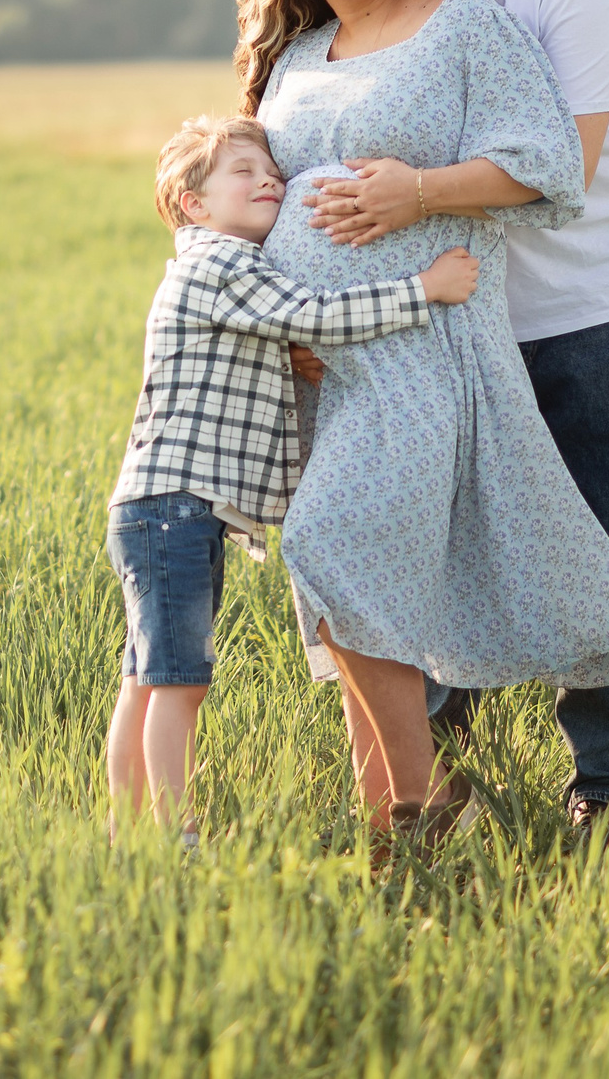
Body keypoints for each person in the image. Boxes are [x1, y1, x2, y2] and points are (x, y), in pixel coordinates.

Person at [238, 0, 609, 860]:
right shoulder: (295, 58)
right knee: (357, 569)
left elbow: (551, 165)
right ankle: (397, 813)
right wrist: (278, 317)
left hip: (430, 346)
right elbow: (261, 194)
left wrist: (418, 192)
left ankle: (537, 787)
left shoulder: (468, 25)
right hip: (330, 363)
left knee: (333, 542)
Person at [105, 113, 480, 842]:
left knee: (146, 679)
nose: (269, 181)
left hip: (155, 507)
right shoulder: (223, 265)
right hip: (176, 509)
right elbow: (313, 313)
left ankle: (128, 835)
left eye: (272, 171)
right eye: (243, 172)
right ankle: (173, 836)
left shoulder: (204, 268)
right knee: (178, 683)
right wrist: (426, 288)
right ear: (193, 203)